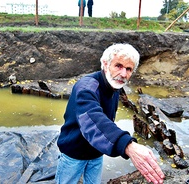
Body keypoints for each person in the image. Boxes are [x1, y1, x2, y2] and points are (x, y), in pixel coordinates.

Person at [55, 43, 165, 184]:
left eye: (129, 69)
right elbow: (93, 119)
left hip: (96, 152)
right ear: (105, 64)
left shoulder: (115, 85)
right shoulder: (86, 87)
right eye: (118, 66)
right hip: (74, 153)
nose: (123, 74)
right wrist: (128, 146)